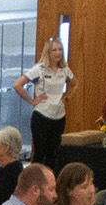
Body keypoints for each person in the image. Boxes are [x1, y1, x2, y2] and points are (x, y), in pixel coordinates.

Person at [14, 37, 73, 167]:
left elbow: (75, 84)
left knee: (54, 153)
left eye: (60, 50)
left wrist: (66, 97)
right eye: (54, 50)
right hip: (42, 115)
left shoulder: (64, 69)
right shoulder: (39, 69)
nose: (58, 53)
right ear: (48, 52)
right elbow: (17, 85)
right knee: (40, 153)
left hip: (59, 116)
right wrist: (32, 101)